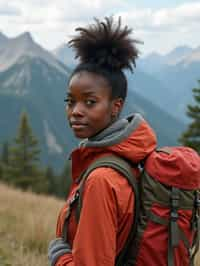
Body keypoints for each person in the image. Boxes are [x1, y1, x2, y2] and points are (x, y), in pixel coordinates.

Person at [48, 16, 157, 266]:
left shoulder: (101, 179)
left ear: (116, 107)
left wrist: (60, 257)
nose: (75, 111)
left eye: (90, 102)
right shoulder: (125, 159)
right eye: (70, 101)